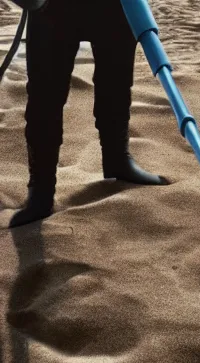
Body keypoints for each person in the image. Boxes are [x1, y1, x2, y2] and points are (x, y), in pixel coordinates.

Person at [9, 0, 169, 228]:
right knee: (45, 93)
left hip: (115, 6)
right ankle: (41, 188)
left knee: (117, 81)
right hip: (52, 7)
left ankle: (117, 160)